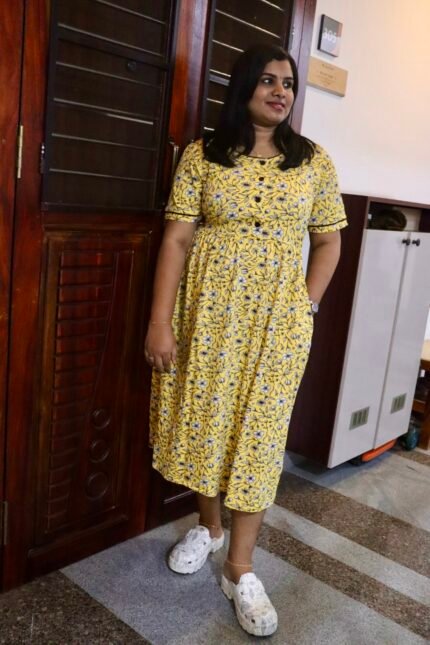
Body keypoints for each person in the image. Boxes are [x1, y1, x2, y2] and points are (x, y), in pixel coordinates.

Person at [145, 44, 347, 637]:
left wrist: (305, 305)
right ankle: (209, 529)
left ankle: (240, 568)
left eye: (288, 82)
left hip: (278, 326)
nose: (281, 91)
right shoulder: (203, 155)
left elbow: (329, 240)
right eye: (267, 80)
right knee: (207, 423)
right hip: (207, 318)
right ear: (242, 88)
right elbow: (177, 239)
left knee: (259, 435)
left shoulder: (312, 161)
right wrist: (160, 321)